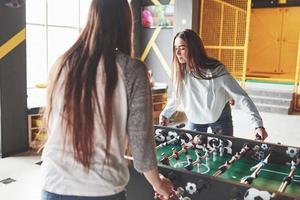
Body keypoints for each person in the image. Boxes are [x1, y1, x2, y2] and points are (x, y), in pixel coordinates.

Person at [41, 1, 174, 200]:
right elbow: (141, 142)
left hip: (52, 186)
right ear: (125, 23)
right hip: (101, 189)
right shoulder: (132, 69)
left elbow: (54, 126)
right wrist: (158, 183)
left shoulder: (62, 63)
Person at [159, 29, 268, 141]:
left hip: (219, 115)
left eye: (182, 48)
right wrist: (165, 114)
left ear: (194, 48)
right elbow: (176, 97)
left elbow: (241, 97)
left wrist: (257, 125)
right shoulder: (180, 71)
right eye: (176, 48)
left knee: (225, 151)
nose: (177, 53)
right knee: (192, 153)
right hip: (195, 118)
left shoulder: (216, 69)